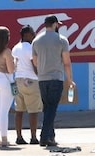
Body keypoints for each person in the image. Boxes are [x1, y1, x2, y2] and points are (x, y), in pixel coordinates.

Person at [31, 15, 74, 147]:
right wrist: (70, 79)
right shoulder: (62, 40)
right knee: (52, 108)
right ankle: (45, 137)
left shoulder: (36, 41)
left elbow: (35, 61)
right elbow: (66, 62)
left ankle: (51, 136)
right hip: (56, 77)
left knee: (47, 108)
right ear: (55, 24)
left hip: (42, 79)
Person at [12, 25, 43, 145]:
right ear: (26, 35)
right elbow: (34, 64)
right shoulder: (30, 48)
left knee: (18, 110)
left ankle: (19, 137)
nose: (34, 35)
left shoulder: (15, 48)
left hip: (17, 80)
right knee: (33, 110)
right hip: (31, 80)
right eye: (32, 33)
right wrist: (40, 75)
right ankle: (33, 137)